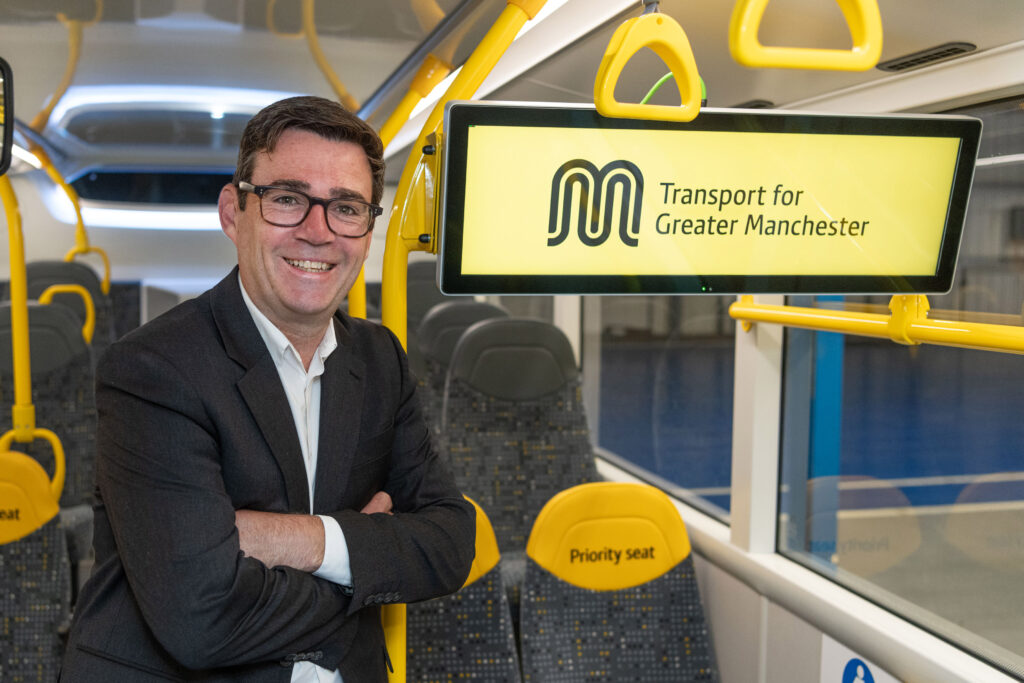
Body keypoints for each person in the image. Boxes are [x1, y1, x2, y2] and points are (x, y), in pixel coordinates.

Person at [61, 95, 476, 682]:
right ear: (234, 213)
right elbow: (199, 617)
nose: (318, 231)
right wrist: (367, 567)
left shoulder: (380, 359)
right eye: (287, 199)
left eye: (347, 208)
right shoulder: (153, 369)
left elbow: (451, 543)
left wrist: (299, 541)